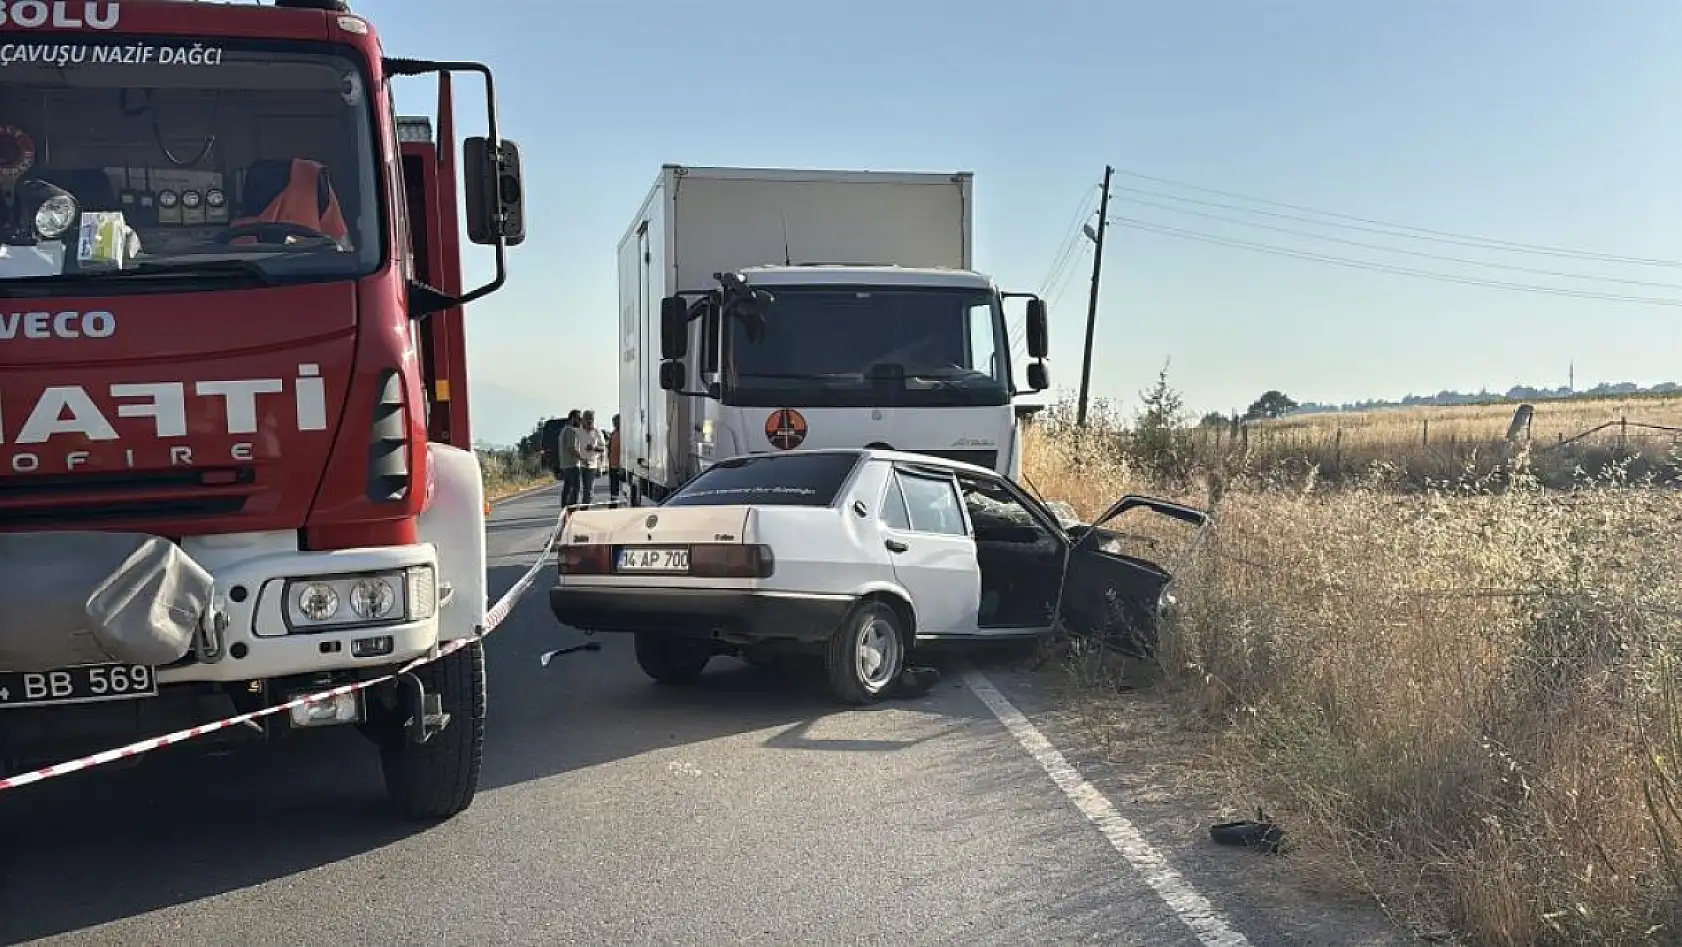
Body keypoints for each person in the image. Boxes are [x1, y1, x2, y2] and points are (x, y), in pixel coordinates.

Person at [557, 409, 584, 507]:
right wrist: (582, 459)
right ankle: (572, 508)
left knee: (567, 487)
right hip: (572, 464)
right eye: (579, 419)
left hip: (565, 464)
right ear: (573, 418)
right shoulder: (570, 430)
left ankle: (565, 508)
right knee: (575, 488)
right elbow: (572, 448)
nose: (580, 421)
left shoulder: (564, 430)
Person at [579, 410, 607, 502]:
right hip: (579, 464)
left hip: (592, 464)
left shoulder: (597, 432)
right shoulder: (578, 431)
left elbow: (603, 449)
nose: (589, 421)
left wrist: (594, 448)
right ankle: (577, 510)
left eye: (591, 419)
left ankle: (584, 509)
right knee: (578, 490)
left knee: (589, 491)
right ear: (583, 419)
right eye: (587, 419)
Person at [607, 413, 624, 502]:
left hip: (622, 464)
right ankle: (614, 501)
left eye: (616, 421)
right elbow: (609, 448)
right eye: (613, 422)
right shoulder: (613, 433)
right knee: (613, 485)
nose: (614, 423)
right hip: (612, 463)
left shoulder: (624, 433)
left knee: (621, 484)